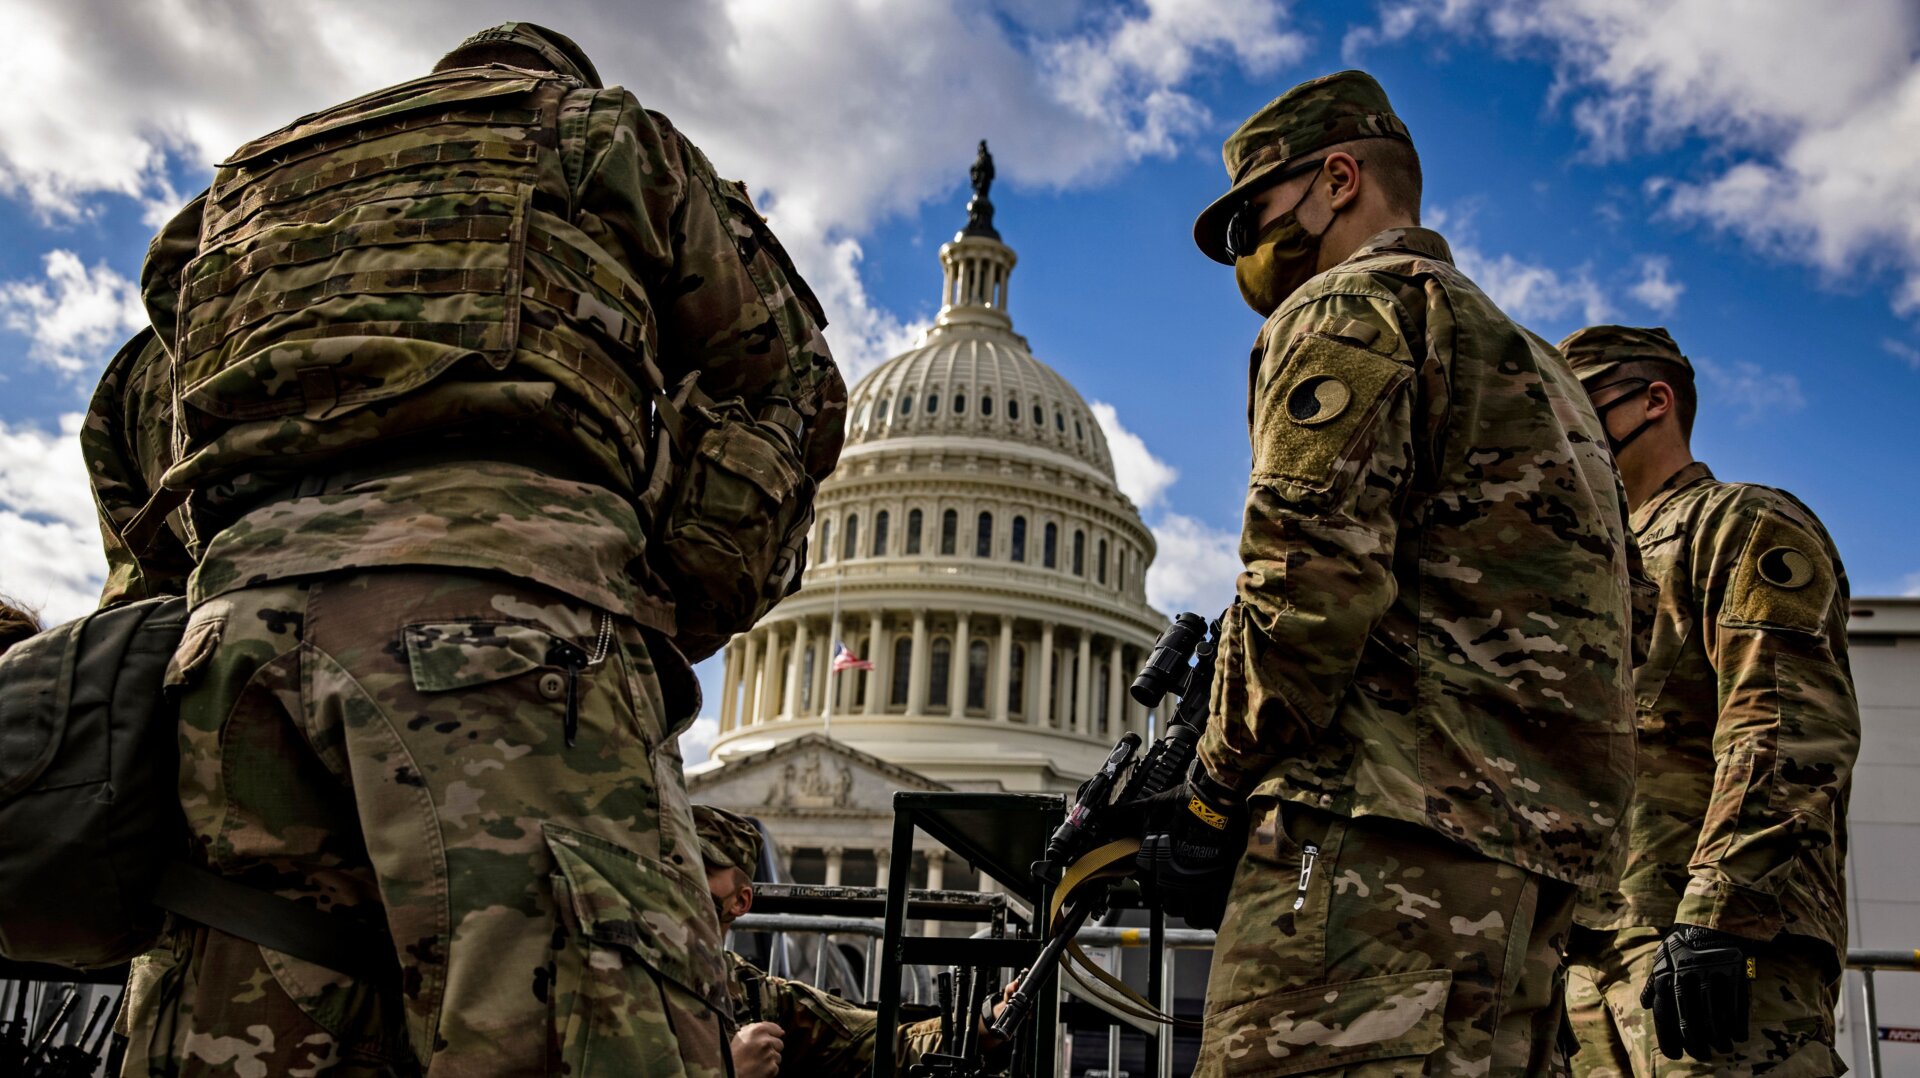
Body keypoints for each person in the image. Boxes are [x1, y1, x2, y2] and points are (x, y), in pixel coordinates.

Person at [112, 21, 845, 1076]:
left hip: (228, 642)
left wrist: (193, 594)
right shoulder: (603, 137)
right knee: (578, 1025)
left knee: (246, 1027)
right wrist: (678, 593)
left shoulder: (233, 196)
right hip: (504, 619)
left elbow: (139, 416)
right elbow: (790, 385)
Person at [1154, 70, 1639, 1075]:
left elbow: (1303, 591)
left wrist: (1208, 786)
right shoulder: (1549, 374)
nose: (1248, 253)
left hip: (1373, 862)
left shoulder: (1352, 309)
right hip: (1532, 890)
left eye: (1254, 216)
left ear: (1338, 180)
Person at [1559, 325, 1857, 1076]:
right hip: (1591, 955)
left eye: (1577, 407)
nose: (1558, 434)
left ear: (1654, 402)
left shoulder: (1737, 524)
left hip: (1719, 946)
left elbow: (1788, 725)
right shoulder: (1587, 564)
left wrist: (1717, 915)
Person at [692, 805, 1010, 1077]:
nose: (677, 878)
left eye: (700, 869)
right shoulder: (643, 976)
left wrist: (989, 1020)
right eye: (670, 863)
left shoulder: (756, 994)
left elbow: (880, 1045)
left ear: (741, 901)